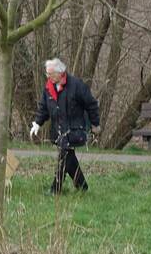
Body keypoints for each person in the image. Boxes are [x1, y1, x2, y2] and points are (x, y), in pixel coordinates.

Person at [30, 58, 100, 195]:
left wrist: (95, 124)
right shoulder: (48, 88)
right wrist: (38, 123)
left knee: (64, 156)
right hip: (59, 131)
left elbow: (91, 104)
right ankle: (82, 186)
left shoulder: (76, 85)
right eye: (47, 74)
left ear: (60, 72)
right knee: (69, 158)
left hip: (75, 129)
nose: (48, 77)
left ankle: (55, 189)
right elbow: (44, 108)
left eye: (50, 74)